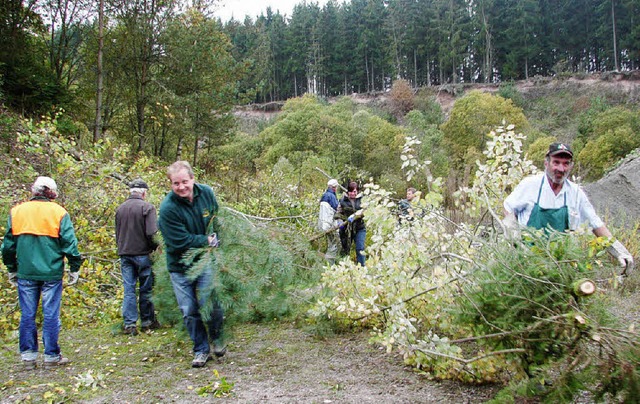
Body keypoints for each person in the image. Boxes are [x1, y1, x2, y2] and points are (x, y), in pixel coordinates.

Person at [504, 142, 634, 275]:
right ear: (546, 163)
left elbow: (596, 225)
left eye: (566, 163)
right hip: (526, 264)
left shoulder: (576, 193)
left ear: (571, 166)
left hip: (561, 267)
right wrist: (513, 233)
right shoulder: (530, 185)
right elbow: (508, 208)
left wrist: (620, 251)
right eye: (556, 162)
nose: (561, 168)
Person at [1, 176, 83, 369]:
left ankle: (28, 357)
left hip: (26, 272)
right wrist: (74, 267)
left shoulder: (17, 212)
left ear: (34, 190)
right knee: (51, 314)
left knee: (27, 314)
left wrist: (11, 268)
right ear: (51, 192)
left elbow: (7, 247)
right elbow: (69, 244)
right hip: (51, 273)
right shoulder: (59, 213)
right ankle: (51, 356)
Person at [158, 161, 225, 368]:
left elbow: (216, 220)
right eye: (176, 183)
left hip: (205, 261)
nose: (181, 187)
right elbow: (179, 241)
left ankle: (217, 339)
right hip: (180, 267)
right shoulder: (168, 208)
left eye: (184, 182)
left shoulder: (206, 193)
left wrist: (218, 241)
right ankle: (200, 349)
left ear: (193, 179)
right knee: (189, 310)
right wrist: (206, 240)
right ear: (171, 184)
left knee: (211, 303)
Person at [115, 178, 159, 335]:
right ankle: (147, 321)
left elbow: (117, 233)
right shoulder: (148, 208)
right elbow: (151, 233)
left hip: (125, 254)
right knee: (146, 289)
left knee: (129, 289)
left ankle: (130, 324)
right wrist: (155, 248)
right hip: (143, 254)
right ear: (144, 193)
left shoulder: (120, 209)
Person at [338, 181, 366, 267]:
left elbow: (365, 209)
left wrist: (356, 215)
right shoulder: (343, 200)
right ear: (348, 191)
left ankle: (361, 267)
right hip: (347, 229)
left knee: (360, 248)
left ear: (357, 191)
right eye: (351, 191)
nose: (353, 193)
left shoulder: (362, 200)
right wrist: (339, 221)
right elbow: (338, 213)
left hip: (360, 227)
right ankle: (344, 266)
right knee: (346, 248)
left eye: (354, 191)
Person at [318, 179, 341, 264]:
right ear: (335, 187)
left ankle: (328, 262)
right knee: (334, 244)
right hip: (329, 225)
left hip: (322, 224)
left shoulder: (324, 195)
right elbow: (336, 210)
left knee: (331, 244)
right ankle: (329, 264)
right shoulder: (331, 196)